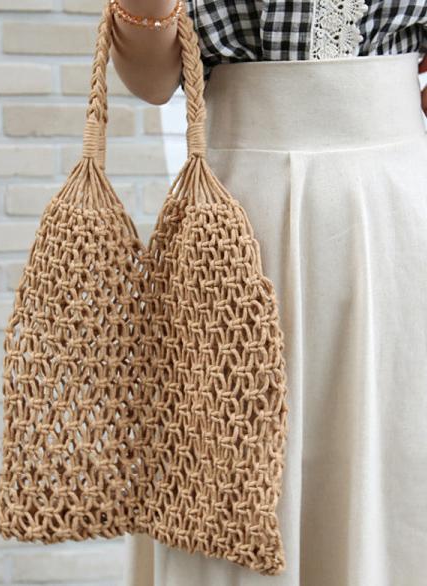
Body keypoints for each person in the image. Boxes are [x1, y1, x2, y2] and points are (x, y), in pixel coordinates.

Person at [110, 1, 427, 585]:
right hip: (234, 217)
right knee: (221, 482)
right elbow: (152, 81)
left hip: (394, 213)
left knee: (391, 477)